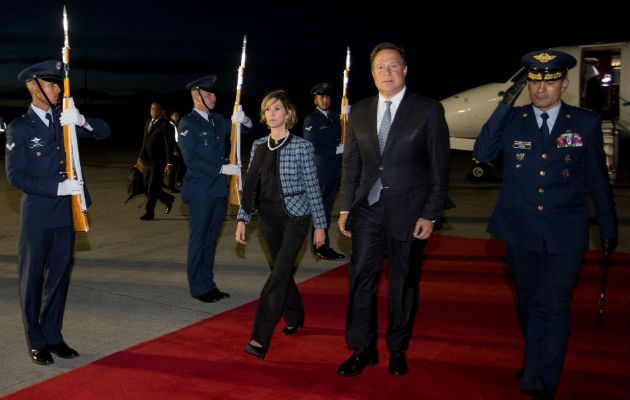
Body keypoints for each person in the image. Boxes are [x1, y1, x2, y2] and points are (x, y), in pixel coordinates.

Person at [473, 50, 618, 400]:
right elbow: (484, 151)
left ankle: (541, 381)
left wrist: (609, 226)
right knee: (527, 303)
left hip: (564, 232)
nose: (541, 90)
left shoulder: (584, 122)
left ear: (563, 84)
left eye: (550, 82)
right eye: (535, 83)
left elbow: (597, 178)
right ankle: (536, 355)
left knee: (552, 305)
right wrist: (506, 103)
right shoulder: (513, 119)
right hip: (519, 230)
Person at [336, 43, 451, 377]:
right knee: (361, 279)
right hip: (368, 209)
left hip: (410, 212)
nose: (387, 73)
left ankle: (397, 348)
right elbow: (351, 166)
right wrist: (345, 208)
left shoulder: (427, 110)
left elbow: (439, 168)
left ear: (405, 70)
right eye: (380, 67)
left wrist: (430, 214)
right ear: (372, 74)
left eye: (394, 66)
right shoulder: (358, 111)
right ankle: (363, 348)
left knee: (403, 283)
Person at [5, 60, 111, 365]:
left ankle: (53, 335)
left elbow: (104, 132)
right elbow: (16, 176)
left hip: (66, 215)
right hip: (38, 216)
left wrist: (81, 121)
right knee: (32, 279)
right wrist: (57, 187)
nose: (57, 90)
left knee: (59, 279)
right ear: (34, 87)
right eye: (51, 84)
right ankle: (35, 340)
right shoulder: (20, 127)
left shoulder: (65, 120)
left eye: (58, 84)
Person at [235, 89, 327, 360]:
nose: (271, 114)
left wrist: (320, 225)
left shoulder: (302, 146)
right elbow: (251, 185)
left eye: (277, 108)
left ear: (288, 113)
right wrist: (243, 218)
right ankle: (295, 316)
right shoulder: (259, 146)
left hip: (295, 218)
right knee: (281, 270)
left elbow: (313, 189)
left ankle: (259, 339)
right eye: (267, 110)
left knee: (277, 276)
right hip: (267, 218)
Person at [177, 74, 252, 303]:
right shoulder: (187, 123)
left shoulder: (218, 120)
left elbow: (243, 132)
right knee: (199, 239)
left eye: (213, 93)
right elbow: (192, 160)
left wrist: (244, 120)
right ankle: (198, 287)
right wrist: (222, 168)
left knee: (211, 240)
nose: (213, 97)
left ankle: (208, 283)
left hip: (218, 191)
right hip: (200, 191)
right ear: (196, 96)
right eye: (207, 94)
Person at [303, 82, 345, 260]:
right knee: (319, 209)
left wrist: (348, 116)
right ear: (315, 100)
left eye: (328, 97)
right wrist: (336, 150)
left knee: (326, 209)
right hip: (320, 170)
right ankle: (319, 245)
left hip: (335, 169)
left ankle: (322, 245)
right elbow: (312, 145)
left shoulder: (335, 116)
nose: (325, 100)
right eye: (321, 97)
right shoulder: (311, 120)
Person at [137, 102, 175, 220]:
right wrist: (140, 157)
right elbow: (144, 141)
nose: (154, 111)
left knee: (151, 187)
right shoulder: (148, 122)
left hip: (158, 161)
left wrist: (169, 163)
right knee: (147, 186)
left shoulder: (165, 125)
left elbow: (169, 145)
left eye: (157, 109)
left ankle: (150, 212)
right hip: (146, 160)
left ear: (161, 111)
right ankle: (167, 198)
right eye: (152, 109)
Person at [166, 110, 186, 192]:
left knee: (183, 165)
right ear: (171, 116)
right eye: (175, 115)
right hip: (173, 151)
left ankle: (178, 180)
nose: (177, 117)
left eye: (178, 115)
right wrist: (175, 150)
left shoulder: (178, 124)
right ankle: (171, 186)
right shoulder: (170, 125)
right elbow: (171, 140)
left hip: (180, 149)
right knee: (173, 169)